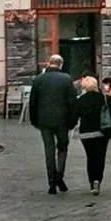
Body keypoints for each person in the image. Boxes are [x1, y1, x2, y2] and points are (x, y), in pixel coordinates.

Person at [28, 54, 78, 195]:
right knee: (62, 149)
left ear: (49, 64)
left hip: (44, 121)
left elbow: (33, 103)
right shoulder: (67, 79)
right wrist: (73, 121)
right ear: (61, 65)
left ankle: (51, 182)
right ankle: (59, 177)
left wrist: (34, 120)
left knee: (49, 151)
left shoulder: (38, 80)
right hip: (63, 121)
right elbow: (72, 102)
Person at [76, 75, 111, 196]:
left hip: (85, 133)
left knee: (90, 157)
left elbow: (75, 115)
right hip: (102, 132)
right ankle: (97, 180)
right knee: (100, 157)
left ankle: (91, 181)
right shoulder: (105, 98)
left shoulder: (80, 99)